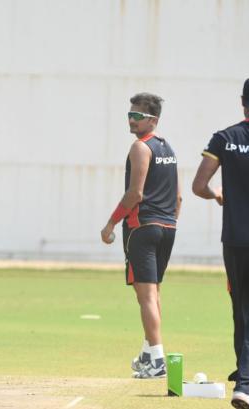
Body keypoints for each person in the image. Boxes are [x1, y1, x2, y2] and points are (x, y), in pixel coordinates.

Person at [100, 93, 181, 379]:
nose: (131, 120)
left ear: (153, 120)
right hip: (167, 226)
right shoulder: (167, 147)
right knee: (152, 292)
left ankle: (157, 359)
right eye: (129, 114)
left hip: (142, 227)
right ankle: (149, 353)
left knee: (145, 294)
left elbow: (136, 193)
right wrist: (169, 222)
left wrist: (110, 224)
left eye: (137, 116)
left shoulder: (140, 147)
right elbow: (178, 195)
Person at [192, 78, 249, 408]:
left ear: (243, 101)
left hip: (236, 240)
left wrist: (217, 195)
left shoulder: (225, 138)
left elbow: (200, 184)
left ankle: (243, 375)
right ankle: (245, 381)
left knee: (240, 307)